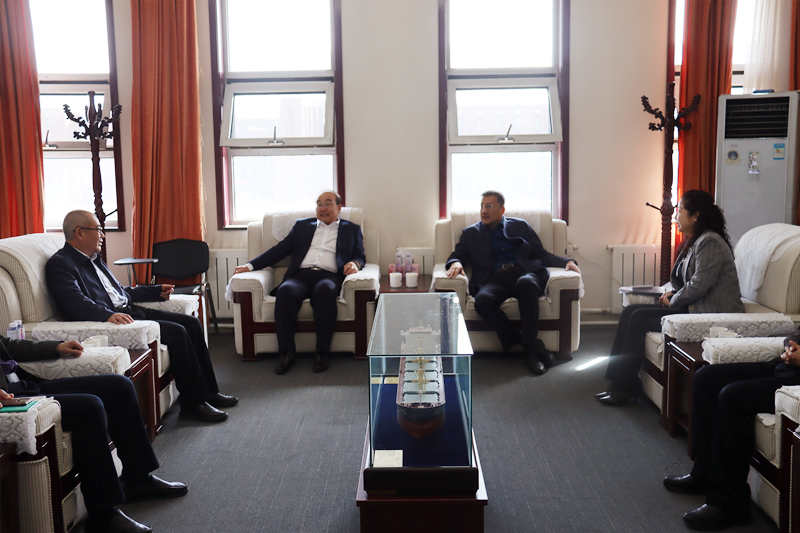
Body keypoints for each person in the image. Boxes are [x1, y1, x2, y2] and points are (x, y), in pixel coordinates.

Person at [45, 210, 238, 423]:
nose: (102, 235)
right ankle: (193, 404)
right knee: (177, 332)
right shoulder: (61, 264)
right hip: (117, 319)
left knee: (191, 323)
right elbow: (74, 303)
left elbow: (118, 292)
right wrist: (108, 315)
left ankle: (209, 392)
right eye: (98, 230)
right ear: (79, 233)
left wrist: (154, 291)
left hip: (130, 310)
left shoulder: (94, 259)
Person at [1, 335, 187, 533]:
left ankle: (139, 480)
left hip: (24, 384)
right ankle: (102, 516)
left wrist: (56, 347)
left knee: (119, 386)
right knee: (89, 407)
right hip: (11, 399)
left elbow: (7, 344)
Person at [598, 190, 745, 406]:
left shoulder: (710, 241)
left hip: (709, 313)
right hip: (695, 306)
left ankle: (626, 385)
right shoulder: (696, 241)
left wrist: (673, 300)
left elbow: (699, 284)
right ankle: (617, 382)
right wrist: (673, 293)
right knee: (630, 311)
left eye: (680, 210)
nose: (676, 216)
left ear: (695, 216)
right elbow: (689, 281)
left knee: (637, 318)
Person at [663, 328, 800, 530]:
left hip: (795, 383)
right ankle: (704, 474)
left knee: (733, 396)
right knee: (706, 377)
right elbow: (796, 333)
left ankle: (730, 504)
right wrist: (792, 346)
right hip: (786, 368)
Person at [445, 191, 580, 375]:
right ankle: (531, 346)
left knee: (527, 284)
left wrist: (567, 262)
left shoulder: (520, 226)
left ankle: (530, 353)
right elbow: (457, 254)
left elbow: (540, 254)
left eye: (489, 206)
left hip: (522, 273)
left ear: (502, 210)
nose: (484, 211)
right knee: (483, 301)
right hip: (493, 279)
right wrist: (455, 262)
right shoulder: (471, 233)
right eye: (482, 206)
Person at [233, 191, 366, 374]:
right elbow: (280, 250)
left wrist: (355, 263)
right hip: (299, 276)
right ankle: (286, 353)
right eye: (319, 204)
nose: (322, 208)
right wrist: (250, 266)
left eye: (328, 203)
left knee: (326, 291)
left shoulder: (351, 229)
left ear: (339, 208)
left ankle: (322, 353)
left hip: (328, 276)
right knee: (285, 291)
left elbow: (360, 255)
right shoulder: (303, 226)